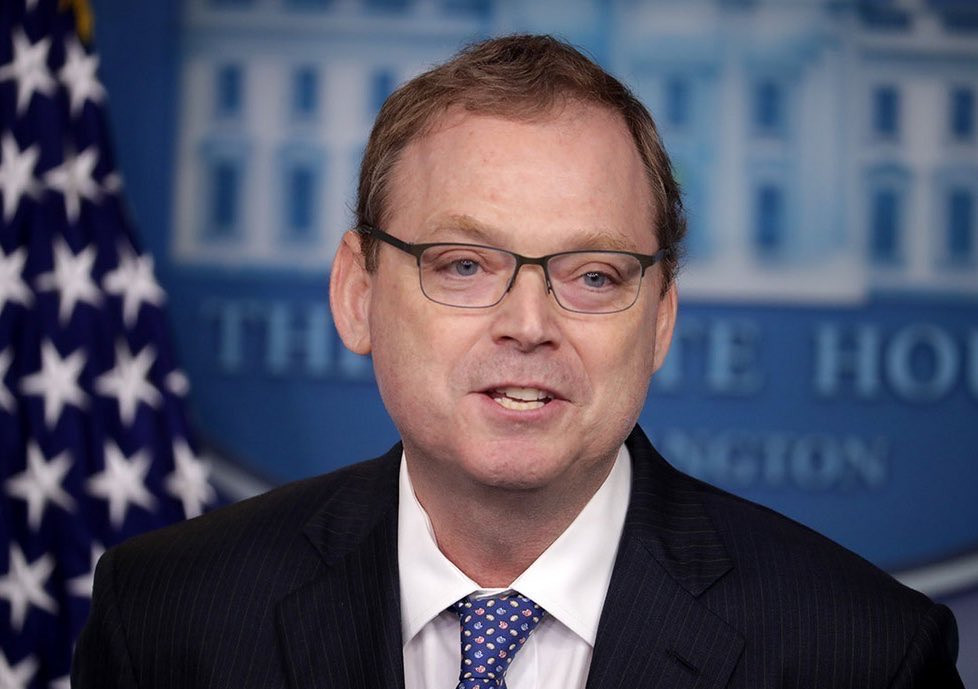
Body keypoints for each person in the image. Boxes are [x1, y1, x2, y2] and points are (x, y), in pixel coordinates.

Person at [73, 34, 963, 688]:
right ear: (358, 293)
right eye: (464, 265)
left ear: (660, 318)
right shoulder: (167, 618)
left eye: (594, 273)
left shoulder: (863, 655)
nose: (529, 324)